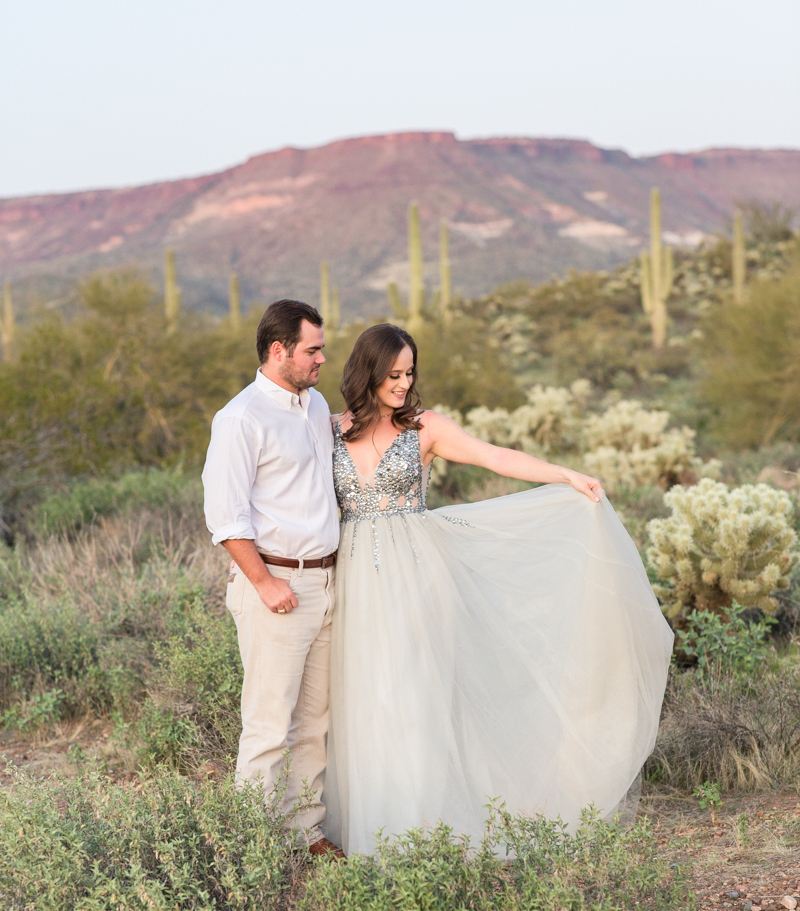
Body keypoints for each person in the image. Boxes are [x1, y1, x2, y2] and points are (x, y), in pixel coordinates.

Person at [322, 323, 673, 856]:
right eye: (393, 374)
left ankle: (420, 833)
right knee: (365, 700)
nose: (403, 383)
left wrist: (564, 476)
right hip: (352, 583)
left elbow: (497, 457)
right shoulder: (329, 429)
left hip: (416, 578)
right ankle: (374, 829)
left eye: (410, 372)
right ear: (367, 372)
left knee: (414, 697)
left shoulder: (426, 428)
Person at [202, 299, 344, 857]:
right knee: (268, 727)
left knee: (314, 723)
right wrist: (265, 584)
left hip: (326, 584)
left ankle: (304, 833)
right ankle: (251, 853)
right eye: (313, 350)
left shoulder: (314, 406)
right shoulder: (240, 418)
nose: (322, 359)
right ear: (278, 350)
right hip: (277, 588)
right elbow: (226, 518)